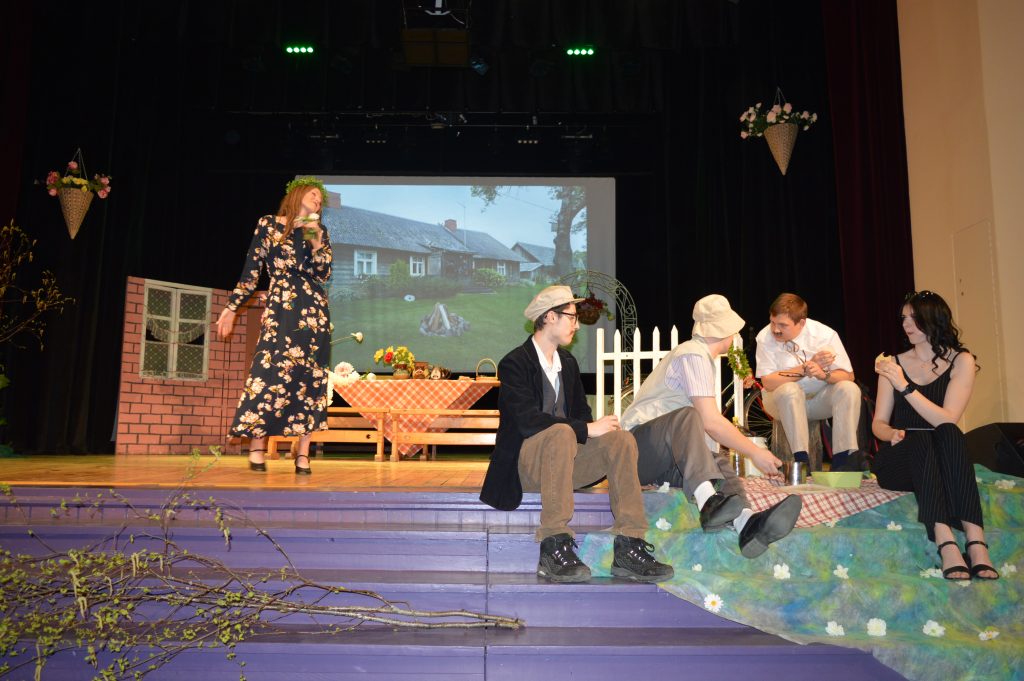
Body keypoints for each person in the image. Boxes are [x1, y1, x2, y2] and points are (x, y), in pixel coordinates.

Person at [479, 285, 674, 583]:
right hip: (525, 467)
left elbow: (582, 417)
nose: (577, 324)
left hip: (565, 465)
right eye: (571, 317)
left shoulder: (568, 364)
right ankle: (553, 544)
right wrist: (585, 428)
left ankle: (629, 545)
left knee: (621, 439)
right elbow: (528, 421)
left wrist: (593, 429)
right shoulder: (514, 363)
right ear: (549, 317)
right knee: (560, 432)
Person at [622, 294, 802, 559]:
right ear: (726, 330)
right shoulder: (692, 354)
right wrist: (754, 452)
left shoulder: (700, 357)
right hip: (635, 451)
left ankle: (747, 523)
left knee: (718, 462)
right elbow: (709, 421)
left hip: (659, 459)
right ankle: (709, 502)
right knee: (687, 416)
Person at [871, 290, 998, 580]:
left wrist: (906, 388)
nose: (906, 324)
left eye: (914, 318)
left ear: (934, 319)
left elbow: (947, 419)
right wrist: (891, 433)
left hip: (940, 455)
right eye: (904, 318)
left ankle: (976, 542)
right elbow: (878, 423)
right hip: (900, 460)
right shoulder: (893, 364)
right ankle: (945, 540)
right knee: (919, 438)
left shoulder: (961, 360)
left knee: (949, 433)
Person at [216, 177, 333, 475]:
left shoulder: (316, 230)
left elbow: (323, 272)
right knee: (269, 373)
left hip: (314, 312)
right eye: (313, 194)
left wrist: (316, 241)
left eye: (320, 199)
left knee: (310, 380)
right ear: (297, 194)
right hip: (282, 307)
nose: (317, 200)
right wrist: (232, 308)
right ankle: (257, 447)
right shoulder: (268, 224)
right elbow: (251, 271)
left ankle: (303, 454)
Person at [754, 293, 865, 471]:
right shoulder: (764, 337)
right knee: (789, 390)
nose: (775, 329)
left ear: (802, 323)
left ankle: (843, 461)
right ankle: (801, 461)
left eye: (783, 325)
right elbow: (768, 382)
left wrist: (824, 375)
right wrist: (805, 369)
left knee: (849, 389)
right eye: (772, 322)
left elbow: (848, 375)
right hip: (780, 402)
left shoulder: (825, 335)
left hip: (818, 401)